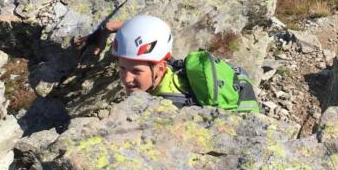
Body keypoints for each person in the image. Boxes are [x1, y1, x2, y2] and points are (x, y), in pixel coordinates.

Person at [76, 15, 259, 110]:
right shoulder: (165, 64)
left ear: (160, 68)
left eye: (136, 72)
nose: (126, 78)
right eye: (122, 68)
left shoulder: (168, 105)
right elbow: (151, 27)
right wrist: (104, 30)